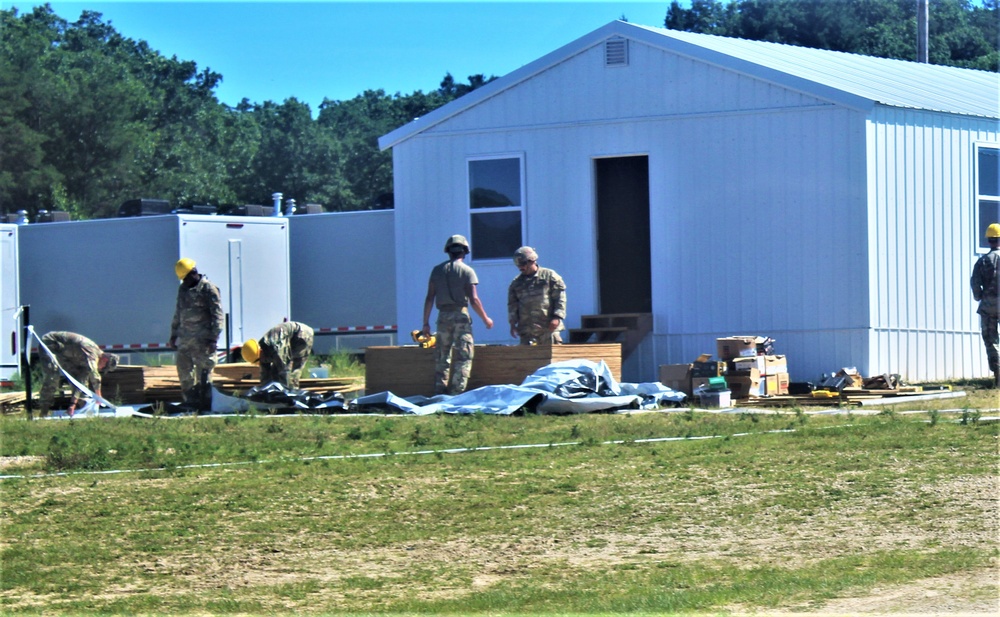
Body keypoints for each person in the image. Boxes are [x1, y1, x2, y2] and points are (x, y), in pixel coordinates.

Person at [421, 234, 494, 395]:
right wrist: (485, 319)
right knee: (464, 355)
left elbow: (429, 298)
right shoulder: (467, 271)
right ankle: (456, 394)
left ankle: (440, 392)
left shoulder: (437, 271)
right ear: (464, 252)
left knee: (442, 355)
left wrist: (425, 323)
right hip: (460, 316)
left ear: (448, 251)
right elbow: (474, 299)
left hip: (442, 317)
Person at [169, 257, 224, 408]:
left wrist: (213, 339)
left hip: (203, 342)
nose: (184, 282)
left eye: (186, 278)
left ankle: (205, 403)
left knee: (203, 375)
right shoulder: (183, 289)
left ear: (194, 272)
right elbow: (178, 312)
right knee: (184, 372)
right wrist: (174, 334)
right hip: (185, 340)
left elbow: (218, 315)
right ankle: (190, 402)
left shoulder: (209, 289)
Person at [37, 331, 119, 417]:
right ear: (104, 360)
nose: (101, 369)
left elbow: (80, 384)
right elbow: (95, 376)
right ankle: (44, 411)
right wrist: (98, 396)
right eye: (103, 367)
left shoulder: (86, 364)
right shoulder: (92, 353)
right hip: (51, 343)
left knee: (83, 389)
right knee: (53, 377)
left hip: (66, 355)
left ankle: (80, 413)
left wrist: (72, 405)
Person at [507, 246, 567, 345]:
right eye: (517, 264)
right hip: (527, 332)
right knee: (528, 360)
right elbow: (512, 305)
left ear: (532, 261)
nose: (520, 267)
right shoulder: (516, 284)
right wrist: (513, 324)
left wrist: (557, 317)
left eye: (523, 263)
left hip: (548, 329)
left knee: (553, 359)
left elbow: (560, 298)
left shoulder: (549, 276)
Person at [241, 321, 315, 389]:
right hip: (289, 337)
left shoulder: (275, 347)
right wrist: (263, 389)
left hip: (302, 335)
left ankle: (291, 394)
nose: (260, 361)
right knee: (275, 373)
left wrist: (285, 390)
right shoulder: (261, 353)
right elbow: (265, 374)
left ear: (260, 351)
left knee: (293, 371)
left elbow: (284, 368)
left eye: (259, 359)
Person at [971, 223, 1000, 388]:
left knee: (991, 341)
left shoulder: (982, 262)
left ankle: (998, 375)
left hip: (988, 307)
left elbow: (975, 284)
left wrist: (980, 297)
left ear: (989, 240)